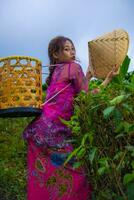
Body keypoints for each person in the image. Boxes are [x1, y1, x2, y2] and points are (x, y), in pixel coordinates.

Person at [23, 36, 118, 200]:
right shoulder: (74, 67)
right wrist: (108, 79)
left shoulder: (58, 71)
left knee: (43, 176)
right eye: (67, 49)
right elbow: (86, 98)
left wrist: (86, 78)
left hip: (39, 130)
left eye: (73, 48)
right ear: (55, 54)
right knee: (77, 174)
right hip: (54, 132)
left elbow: (73, 96)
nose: (72, 52)